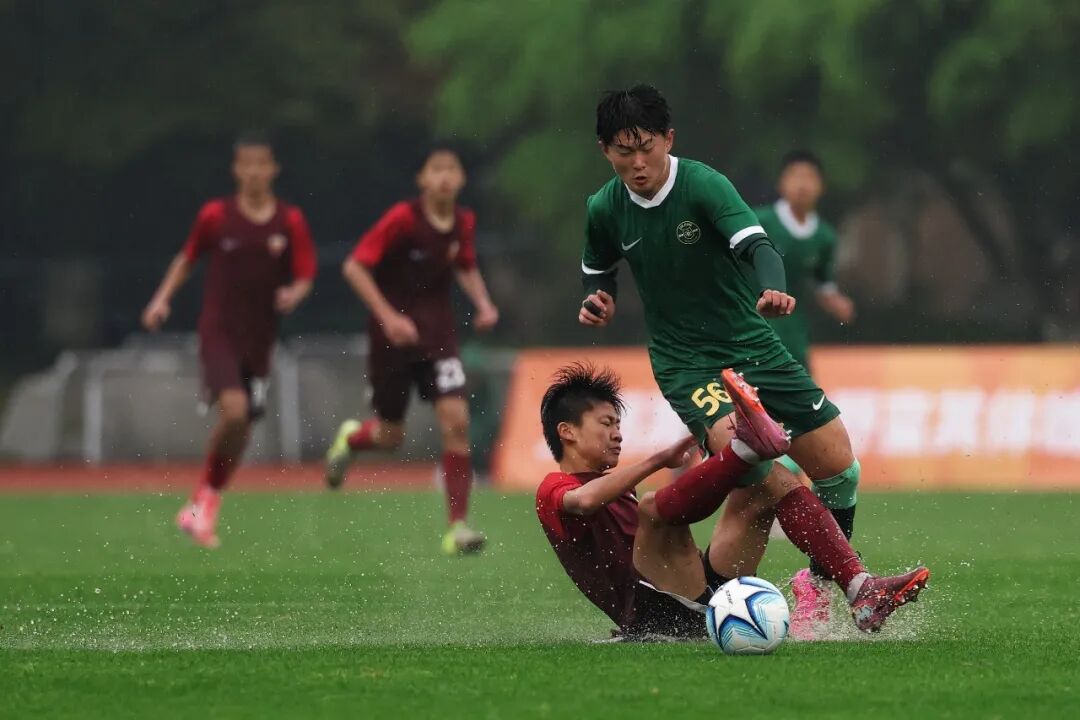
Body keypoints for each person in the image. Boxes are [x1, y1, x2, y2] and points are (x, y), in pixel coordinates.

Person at [576, 85, 895, 639]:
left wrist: (773, 288)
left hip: (754, 345)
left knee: (839, 469)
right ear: (605, 150)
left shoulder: (703, 185)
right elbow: (597, 269)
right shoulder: (604, 208)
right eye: (623, 152)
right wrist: (597, 298)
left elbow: (757, 247)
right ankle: (858, 587)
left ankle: (797, 591)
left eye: (646, 147)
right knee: (754, 462)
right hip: (687, 363)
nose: (637, 163)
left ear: (668, 139)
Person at [536, 363, 928, 640]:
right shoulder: (553, 488)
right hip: (651, 616)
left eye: (619, 425)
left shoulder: (614, 486)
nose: (618, 434)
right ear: (567, 432)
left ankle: (858, 586)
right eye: (607, 424)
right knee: (653, 508)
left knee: (768, 481)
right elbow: (583, 502)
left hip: (694, 591)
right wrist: (659, 460)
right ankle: (744, 449)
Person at [142, 132, 317, 548]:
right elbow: (187, 258)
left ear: (273, 169)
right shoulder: (216, 216)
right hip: (219, 330)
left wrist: (294, 293)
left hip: (260, 338)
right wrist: (161, 299)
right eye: (246, 164)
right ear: (236, 169)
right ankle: (204, 503)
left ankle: (203, 503)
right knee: (235, 412)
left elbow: (306, 273)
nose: (254, 172)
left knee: (243, 428)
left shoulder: (289, 221)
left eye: (262, 164)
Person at [325, 146, 499, 555]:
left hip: (439, 338)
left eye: (452, 169)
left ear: (461, 179)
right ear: (422, 179)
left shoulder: (463, 221)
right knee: (390, 436)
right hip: (393, 339)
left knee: (457, 422)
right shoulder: (403, 219)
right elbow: (354, 267)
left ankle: (457, 527)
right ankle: (351, 441)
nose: (444, 177)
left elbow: (464, 264)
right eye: (436, 169)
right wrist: (388, 316)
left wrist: (484, 303)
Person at [754, 150, 858, 632]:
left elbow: (822, 281)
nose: (801, 185)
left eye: (809, 178)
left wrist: (835, 299)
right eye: (794, 176)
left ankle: (794, 518)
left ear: (820, 187)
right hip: (752, 344)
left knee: (801, 439)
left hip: (794, 349)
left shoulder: (825, 236)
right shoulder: (758, 223)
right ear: (782, 182)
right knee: (747, 433)